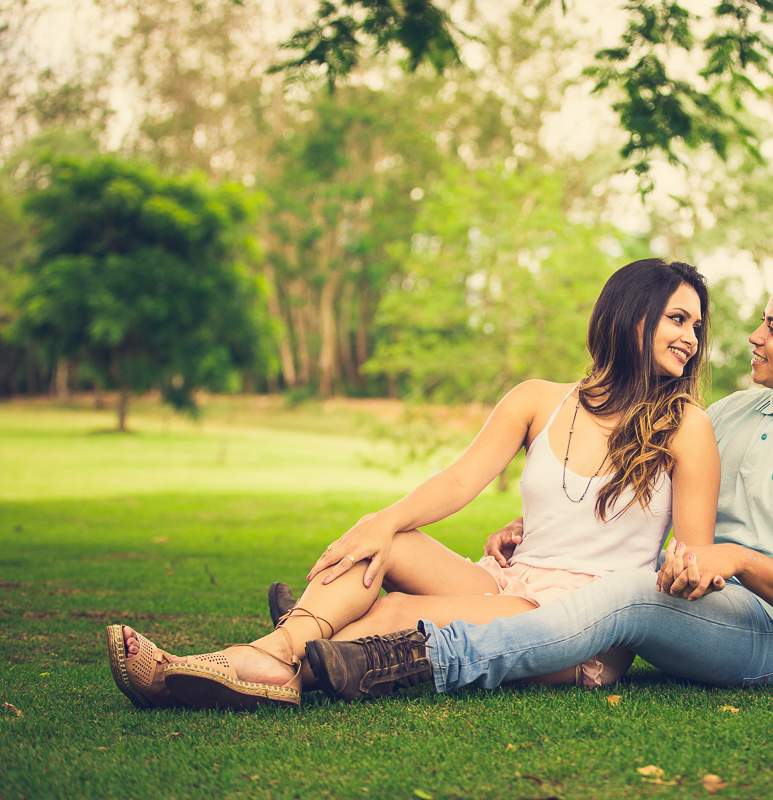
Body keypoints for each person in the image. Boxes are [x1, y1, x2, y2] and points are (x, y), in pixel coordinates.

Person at [105, 258, 721, 710]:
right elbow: (459, 480)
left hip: (578, 625)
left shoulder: (685, 427)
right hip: (509, 581)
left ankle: (232, 664)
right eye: (677, 318)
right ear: (629, 315)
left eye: (696, 326)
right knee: (388, 542)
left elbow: (689, 558)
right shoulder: (539, 400)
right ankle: (284, 649)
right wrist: (384, 520)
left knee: (395, 606)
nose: (691, 340)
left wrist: (685, 570)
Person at [301, 265, 773, 700]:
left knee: (629, 592)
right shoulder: (736, 412)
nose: (753, 337)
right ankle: (315, 636)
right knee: (624, 587)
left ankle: (421, 656)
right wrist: (548, 524)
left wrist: (736, 559)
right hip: (702, 591)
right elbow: (663, 500)